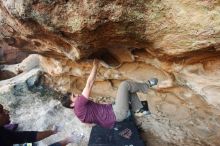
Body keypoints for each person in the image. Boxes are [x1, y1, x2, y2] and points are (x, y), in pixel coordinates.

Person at [61, 59, 159, 129]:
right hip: (116, 113)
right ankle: (146, 86)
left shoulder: (77, 113)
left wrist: (102, 118)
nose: (77, 95)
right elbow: (89, 83)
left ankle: (138, 110)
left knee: (128, 91)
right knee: (125, 85)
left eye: (75, 94)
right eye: (74, 96)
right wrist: (95, 65)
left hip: (113, 118)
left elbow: (88, 124)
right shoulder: (79, 104)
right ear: (72, 104)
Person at [0, 104, 81, 146]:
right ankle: (69, 139)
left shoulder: (3, 132)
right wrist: (66, 140)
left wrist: (52, 131)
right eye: (2, 112)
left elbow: (26, 136)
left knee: (29, 144)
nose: (7, 112)